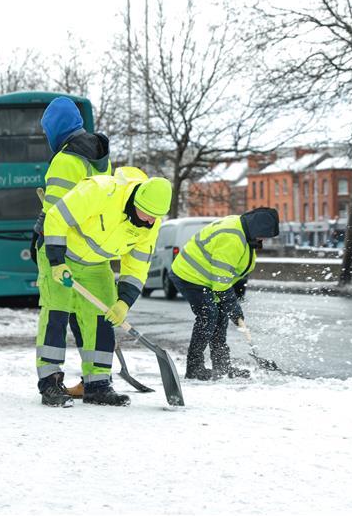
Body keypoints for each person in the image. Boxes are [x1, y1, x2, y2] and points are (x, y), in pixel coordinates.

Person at [37, 167, 172, 407]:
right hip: (60, 253)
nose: (151, 221)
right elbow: (56, 218)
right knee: (57, 312)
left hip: (96, 264)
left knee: (101, 319)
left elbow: (137, 265)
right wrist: (56, 262)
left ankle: (97, 385)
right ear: (135, 200)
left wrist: (124, 302)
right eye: (148, 214)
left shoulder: (151, 224)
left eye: (156, 216)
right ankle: (50, 383)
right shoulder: (101, 191)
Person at [32, 97, 112, 398]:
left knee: (56, 315)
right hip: (95, 253)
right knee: (98, 318)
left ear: (55, 129)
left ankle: (50, 383)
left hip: (61, 252)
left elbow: (55, 215)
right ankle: (98, 383)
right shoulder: (101, 161)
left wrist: (51, 253)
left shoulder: (64, 161)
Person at [169, 207, 280, 380]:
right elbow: (221, 284)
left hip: (207, 278)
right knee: (208, 314)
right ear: (257, 228)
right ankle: (194, 367)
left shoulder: (244, 232)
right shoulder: (232, 238)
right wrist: (234, 308)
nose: (263, 239)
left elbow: (227, 277)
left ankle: (222, 366)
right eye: (264, 235)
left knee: (220, 317)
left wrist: (231, 307)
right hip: (189, 275)